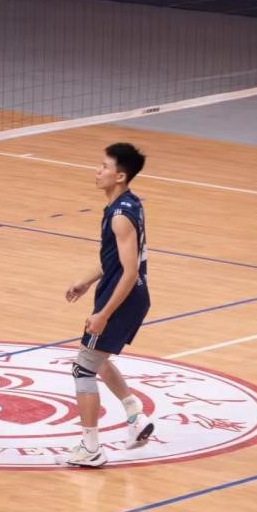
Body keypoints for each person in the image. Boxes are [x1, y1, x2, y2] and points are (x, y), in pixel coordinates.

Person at [61, 143, 155, 468]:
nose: (97, 171)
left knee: (83, 368)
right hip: (127, 295)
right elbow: (116, 260)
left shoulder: (120, 217)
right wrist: (87, 281)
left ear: (120, 176)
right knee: (97, 359)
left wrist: (104, 313)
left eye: (104, 166)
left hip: (122, 298)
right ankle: (135, 416)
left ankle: (90, 447)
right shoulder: (129, 203)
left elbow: (129, 273)